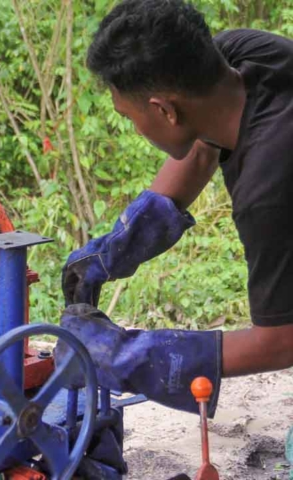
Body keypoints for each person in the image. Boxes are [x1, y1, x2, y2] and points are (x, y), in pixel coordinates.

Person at [55, 0, 293, 417]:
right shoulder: (244, 55)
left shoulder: (268, 192)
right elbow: (202, 148)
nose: (134, 128)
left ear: (164, 110)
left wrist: (132, 355)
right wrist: (117, 246)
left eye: (129, 117)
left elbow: (281, 340)